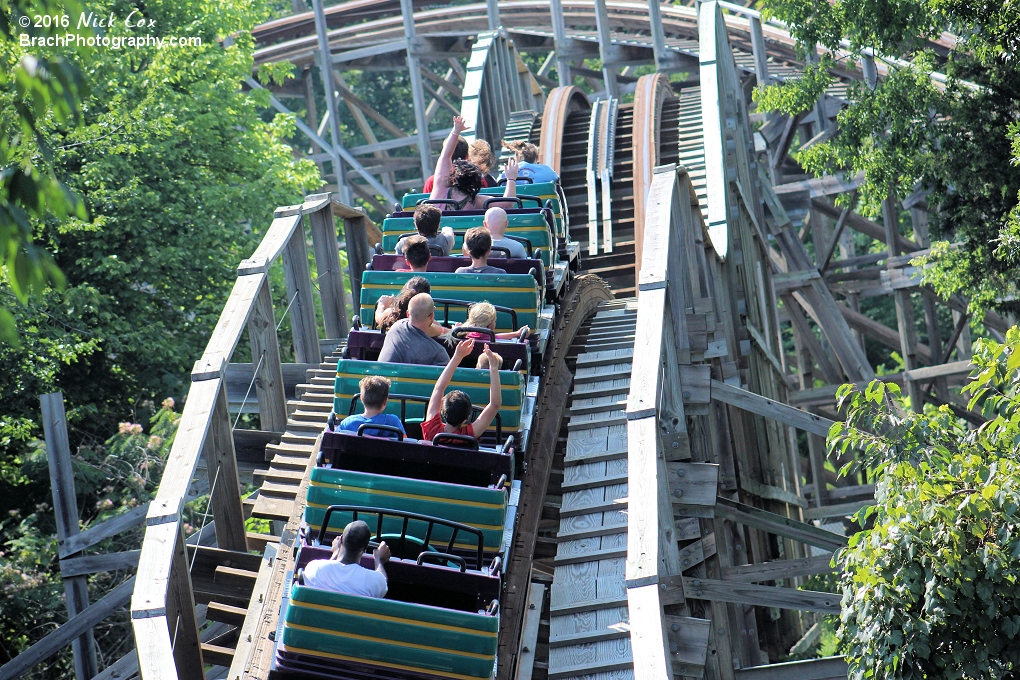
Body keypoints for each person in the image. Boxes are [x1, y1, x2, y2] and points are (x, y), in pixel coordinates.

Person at [430, 116, 519, 211]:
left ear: (454, 175)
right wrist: (511, 179)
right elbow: (507, 204)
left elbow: (445, 156)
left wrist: (456, 131)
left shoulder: (441, 189)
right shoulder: (475, 201)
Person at [422, 338, 502, 443]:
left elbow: (438, 388)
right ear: (467, 418)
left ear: (442, 411)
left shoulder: (432, 431)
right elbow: (495, 404)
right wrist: (494, 368)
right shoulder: (468, 436)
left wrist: (457, 356)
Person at [303, 520, 390, 598]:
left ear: (340, 540)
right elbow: (383, 582)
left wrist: (335, 553)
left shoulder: (314, 568)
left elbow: (326, 570)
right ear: (365, 548)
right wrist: (379, 560)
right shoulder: (374, 582)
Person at [378, 293, 451, 366]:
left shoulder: (396, 327)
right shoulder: (439, 354)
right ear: (432, 316)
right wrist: (452, 331)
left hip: (380, 376)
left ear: (408, 314)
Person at [338, 376, 405, 439]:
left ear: (361, 399)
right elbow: (407, 443)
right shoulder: (393, 422)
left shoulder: (347, 423)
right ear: (385, 401)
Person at [462, 301, 529, 341]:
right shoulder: (490, 337)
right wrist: (518, 333)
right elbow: (501, 336)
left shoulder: (465, 335)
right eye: (494, 320)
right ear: (491, 325)